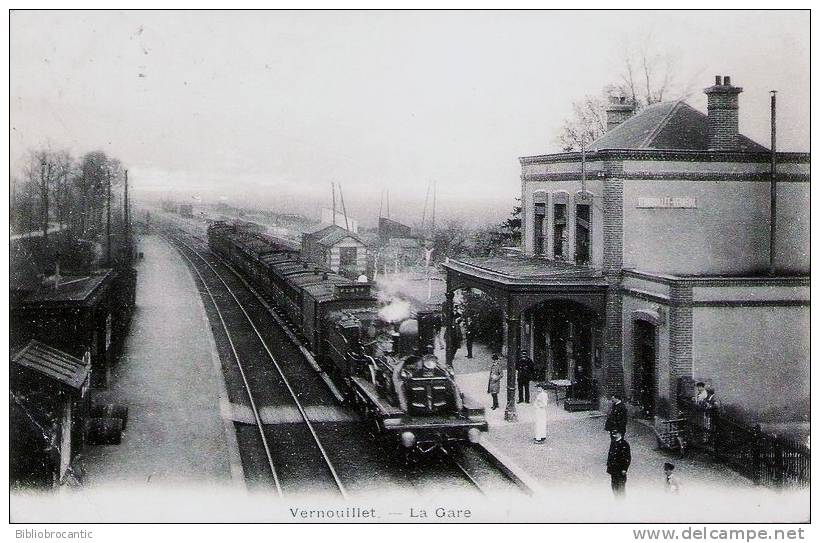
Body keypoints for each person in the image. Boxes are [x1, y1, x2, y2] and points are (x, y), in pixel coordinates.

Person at [606, 430, 631, 498]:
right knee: (614, 486)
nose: (613, 435)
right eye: (613, 433)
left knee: (621, 487)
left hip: (620, 469)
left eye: (615, 433)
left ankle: (621, 501)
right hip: (613, 469)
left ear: (620, 434)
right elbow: (610, 454)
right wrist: (609, 465)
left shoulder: (624, 444)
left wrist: (624, 468)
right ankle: (616, 499)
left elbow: (627, 458)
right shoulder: (613, 443)